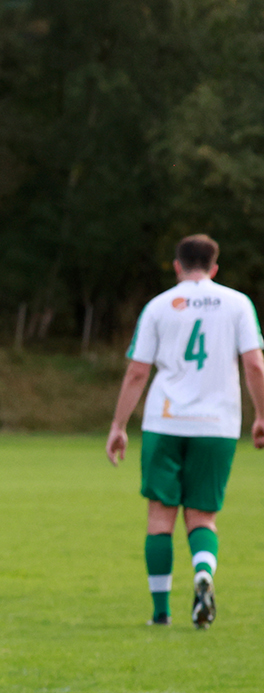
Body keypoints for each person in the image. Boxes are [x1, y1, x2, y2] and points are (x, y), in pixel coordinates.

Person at [106, 233, 264, 628]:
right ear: (214, 267)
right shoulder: (238, 304)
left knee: (160, 517)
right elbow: (254, 365)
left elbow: (138, 371)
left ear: (177, 266)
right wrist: (261, 415)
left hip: (166, 422)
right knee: (203, 517)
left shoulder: (159, 306)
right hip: (218, 426)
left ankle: (161, 614)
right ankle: (203, 571)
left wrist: (118, 425)